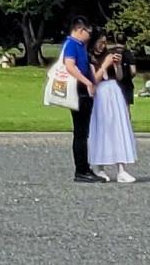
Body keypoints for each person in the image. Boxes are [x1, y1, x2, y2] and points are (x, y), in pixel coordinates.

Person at [87, 39, 138, 185]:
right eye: (100, 42)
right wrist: (104, 65)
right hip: (100, 94)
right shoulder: (89, 57)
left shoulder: (109, 55)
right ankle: (98, 166)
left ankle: (121, 169)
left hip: (114, 91)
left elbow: (120, 76)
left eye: (105, 42)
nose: (103, 45)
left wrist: (116, 65)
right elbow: (93, 80)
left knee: (118, 128)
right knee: (102, 129)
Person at [52, 20, 97, 183]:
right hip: (79, 92)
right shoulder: (72, 44)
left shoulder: (79, 45)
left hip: (84, 92)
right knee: (80, 133)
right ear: (79, 29)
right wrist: (87, 82)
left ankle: (84, 167)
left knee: (83, 133)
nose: (89, 36)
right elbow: (70, 66)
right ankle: (81, 169)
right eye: (88, 32)